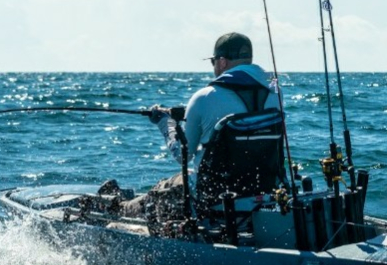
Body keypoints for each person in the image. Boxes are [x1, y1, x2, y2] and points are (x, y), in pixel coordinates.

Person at [118, 32, 281, 225]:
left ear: (222, 62)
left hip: (212, 194)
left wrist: (164, 122)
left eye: (213, 61)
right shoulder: (276, 93)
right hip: (263, 189)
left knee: (165, 189)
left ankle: (118, 208)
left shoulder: (204, 97)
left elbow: (183, 156)